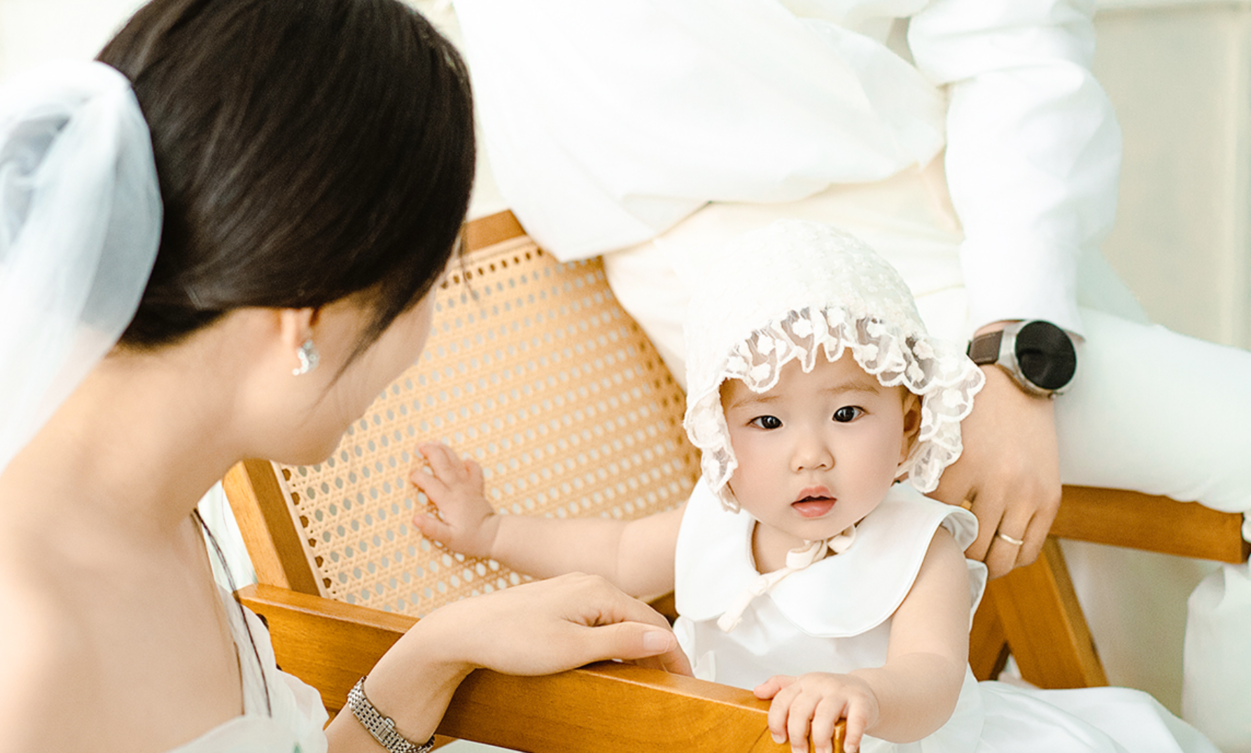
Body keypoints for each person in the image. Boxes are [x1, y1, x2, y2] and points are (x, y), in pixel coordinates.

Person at [169, 0, 1251, 747]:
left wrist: (1018, 344)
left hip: (986, 226)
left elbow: (1018, 43)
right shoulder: (744, 477)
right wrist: (365, 222)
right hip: (747, 267)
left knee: (1134, 580)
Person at [0, 0, 690, 753]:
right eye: (427, 286)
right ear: (309, 319)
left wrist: (439, 650)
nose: (422, 334)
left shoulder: (155, 507)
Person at [410, 220, 1219, 753]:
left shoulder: (919, 543)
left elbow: (935, 675)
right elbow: (615, 553)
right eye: (767, 422)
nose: (810, 455)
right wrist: (491, 530)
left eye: (846, 413)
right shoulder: (718, 519)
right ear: (721, 433)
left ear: (907, 425)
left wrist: (864, 691)